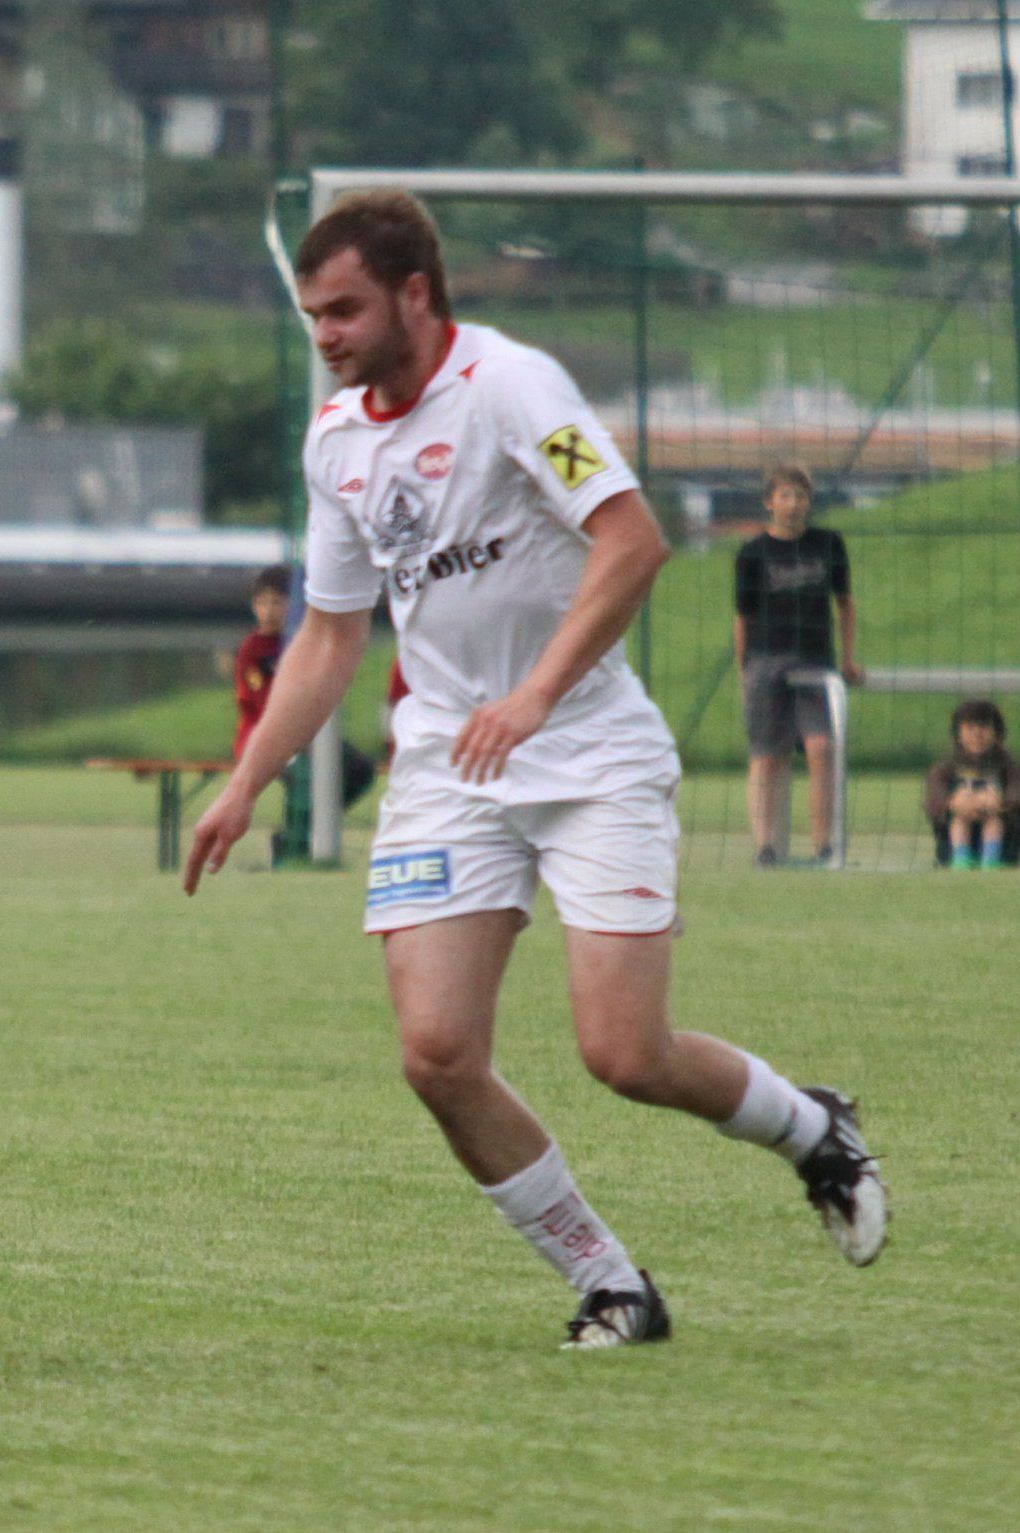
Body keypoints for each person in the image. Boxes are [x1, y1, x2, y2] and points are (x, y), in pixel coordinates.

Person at [183, 190, 887, 1349]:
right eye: (312, 316)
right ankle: (612, 1286)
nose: (325, 336)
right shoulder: (335, 441)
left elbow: (632, 540)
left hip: (589, 749)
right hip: (448, 766)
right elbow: (329, 637)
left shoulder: (511, 386)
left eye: (344, 310)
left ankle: (812, 1130)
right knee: (436, 1055)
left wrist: (534, 696)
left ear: (414, 293)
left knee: (625, 1054)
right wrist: (245, 782)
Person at [734, 466, 862, 866]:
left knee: (822, 748)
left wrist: (848, 658)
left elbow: (845, 604)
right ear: (769, 502)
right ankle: (766, 847)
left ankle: (824, 844)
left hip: (815, 661)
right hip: (767, 661)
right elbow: (742, 617)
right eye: (786, 496)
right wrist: (744, 672)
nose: (794, 504)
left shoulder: (828, 544)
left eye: (801, 496)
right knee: (768, 755)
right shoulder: (752, 554)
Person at [924, 699, 1019, 869]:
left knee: (996, 821)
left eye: (983, 727)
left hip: (1004, 840)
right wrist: (953, 804)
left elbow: (1016, 792)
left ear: (997, 733)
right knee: (958, 820)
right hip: (953, 836)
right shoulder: (944, 769)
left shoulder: (1009, 767)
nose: (977, 734)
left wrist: (1000, 803)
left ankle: (992, 859)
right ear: (958, 734)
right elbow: (933, 801)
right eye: (969, 728)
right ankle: (960, 858)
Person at [233, 564, 291, 761]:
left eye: (277, 602)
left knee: (357, 768)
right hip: (259, 733)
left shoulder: (300, 641)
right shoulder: (252, 650)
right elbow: (259, 701)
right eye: (262, 603)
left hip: (296, 732)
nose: (268, 612)